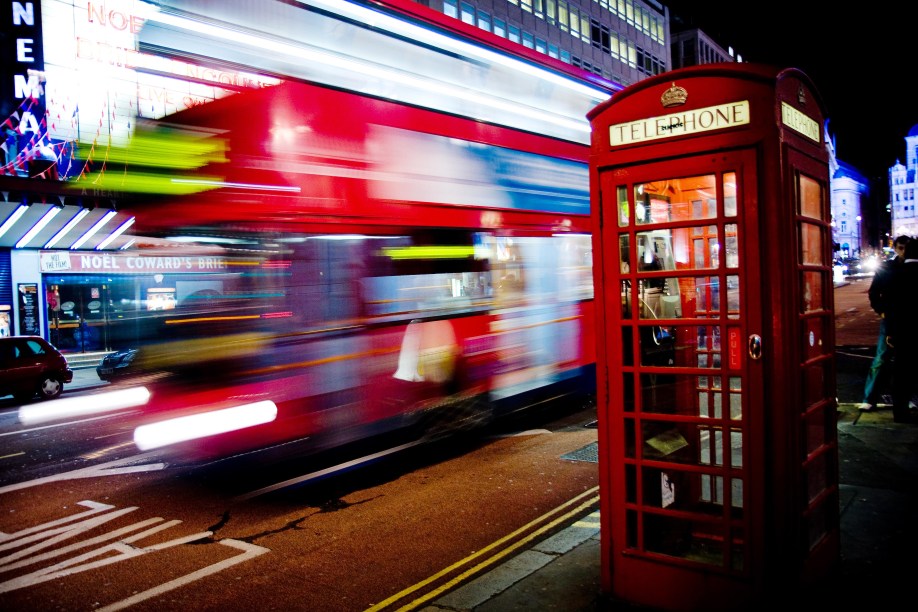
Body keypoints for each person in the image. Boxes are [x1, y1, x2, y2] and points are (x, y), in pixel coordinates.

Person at [857, 235, 910, 411]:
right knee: (881, 358)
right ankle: (869, 398)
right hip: (891, 319)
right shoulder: (886, 268)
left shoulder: (913, 267)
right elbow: (873, 293)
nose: (903, 251)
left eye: (906, 248)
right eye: (901, 247)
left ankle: (908, 398)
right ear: (895, 248)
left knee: (909, 361)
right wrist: (881, 311)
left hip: (910, 319)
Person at [884, 238, 918, 423]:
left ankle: (900, 411)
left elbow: (889, 305)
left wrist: (890, 331)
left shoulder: (896, 274)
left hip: (901, 332)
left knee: (901, 372)